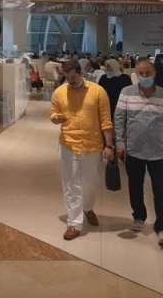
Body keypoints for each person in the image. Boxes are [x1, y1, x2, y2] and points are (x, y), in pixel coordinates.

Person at [114, 59, 163, 246]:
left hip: (159, 151)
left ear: (154, 73)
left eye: (147, 73)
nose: (144, 76)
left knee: (160, 190)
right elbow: (119, 119)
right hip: (134, 150)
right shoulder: (126, 92)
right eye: (141, 73)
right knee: (135, 186)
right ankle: (139, 216)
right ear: (136, 74)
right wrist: (120, 143)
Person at [50, 59, 114, 241]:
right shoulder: (59, 92)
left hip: (93, 145)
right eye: (67, 78)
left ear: (80, 73)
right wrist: (56, 118)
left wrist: (109, 145)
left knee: (90, 182)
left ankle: (87, 208)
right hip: (69, 144)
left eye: (73, 78)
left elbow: (106, 120)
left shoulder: (98, 91)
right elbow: (53, 113)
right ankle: (74, 222)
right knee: (71, 184)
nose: (70, 82)